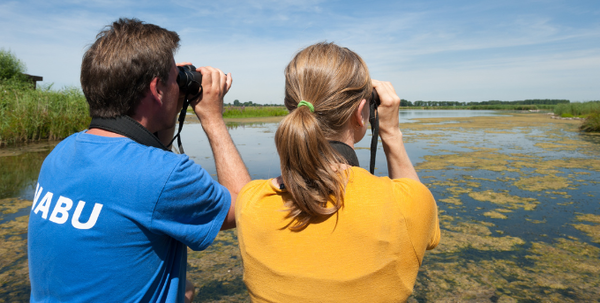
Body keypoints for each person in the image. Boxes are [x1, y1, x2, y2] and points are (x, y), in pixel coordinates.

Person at [28, 18, 250, 302]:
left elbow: (145, 161)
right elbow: (245, 208)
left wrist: (170, 98)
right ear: (157, 89)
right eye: (174, 80)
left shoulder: (62, 152)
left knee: (184, 290)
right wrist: (213, 117)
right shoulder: (165, 176)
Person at [235, 42, 440, 302]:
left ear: (292, 107)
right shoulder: (409, 204)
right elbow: (428, 237)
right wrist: (391, 133)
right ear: (360, 112)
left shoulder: (250, 201)